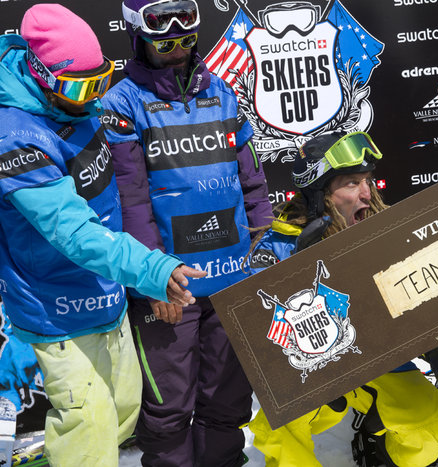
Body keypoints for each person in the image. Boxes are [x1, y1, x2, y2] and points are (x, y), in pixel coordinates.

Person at [0, 4, 205, 466]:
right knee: (88, 425)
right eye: (80, 88)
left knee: (123, 413)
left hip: (105, 293)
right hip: (56, 308)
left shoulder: (78, 105)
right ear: (42, 75)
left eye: (100, 82)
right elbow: (72, 231)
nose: (92, 98)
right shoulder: (15, 137)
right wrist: (150, 268)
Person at [100, 1, 273, 465]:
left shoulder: (222, 91)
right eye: (165, 42)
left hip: (232, 278)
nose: (177, 48)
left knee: (227, 403)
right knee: (168, 410)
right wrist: (153, 279)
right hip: (172, 287)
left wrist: (262, 236)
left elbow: (251, 176)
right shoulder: (121, 103)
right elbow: (130, 201)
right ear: (138, 37)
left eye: (186, 38)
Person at [246, 131, 438, 467]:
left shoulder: (383, 232)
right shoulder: (278, 243)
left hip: (376, 362)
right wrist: (296, 272)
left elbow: (412, 295)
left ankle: (382, 441)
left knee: (427, 422)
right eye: (351, 183)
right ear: (320, 192)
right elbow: (257, 331)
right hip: (311, 374)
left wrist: (435, 339)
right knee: (281, 427)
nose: (366, 193)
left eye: (367, 181)